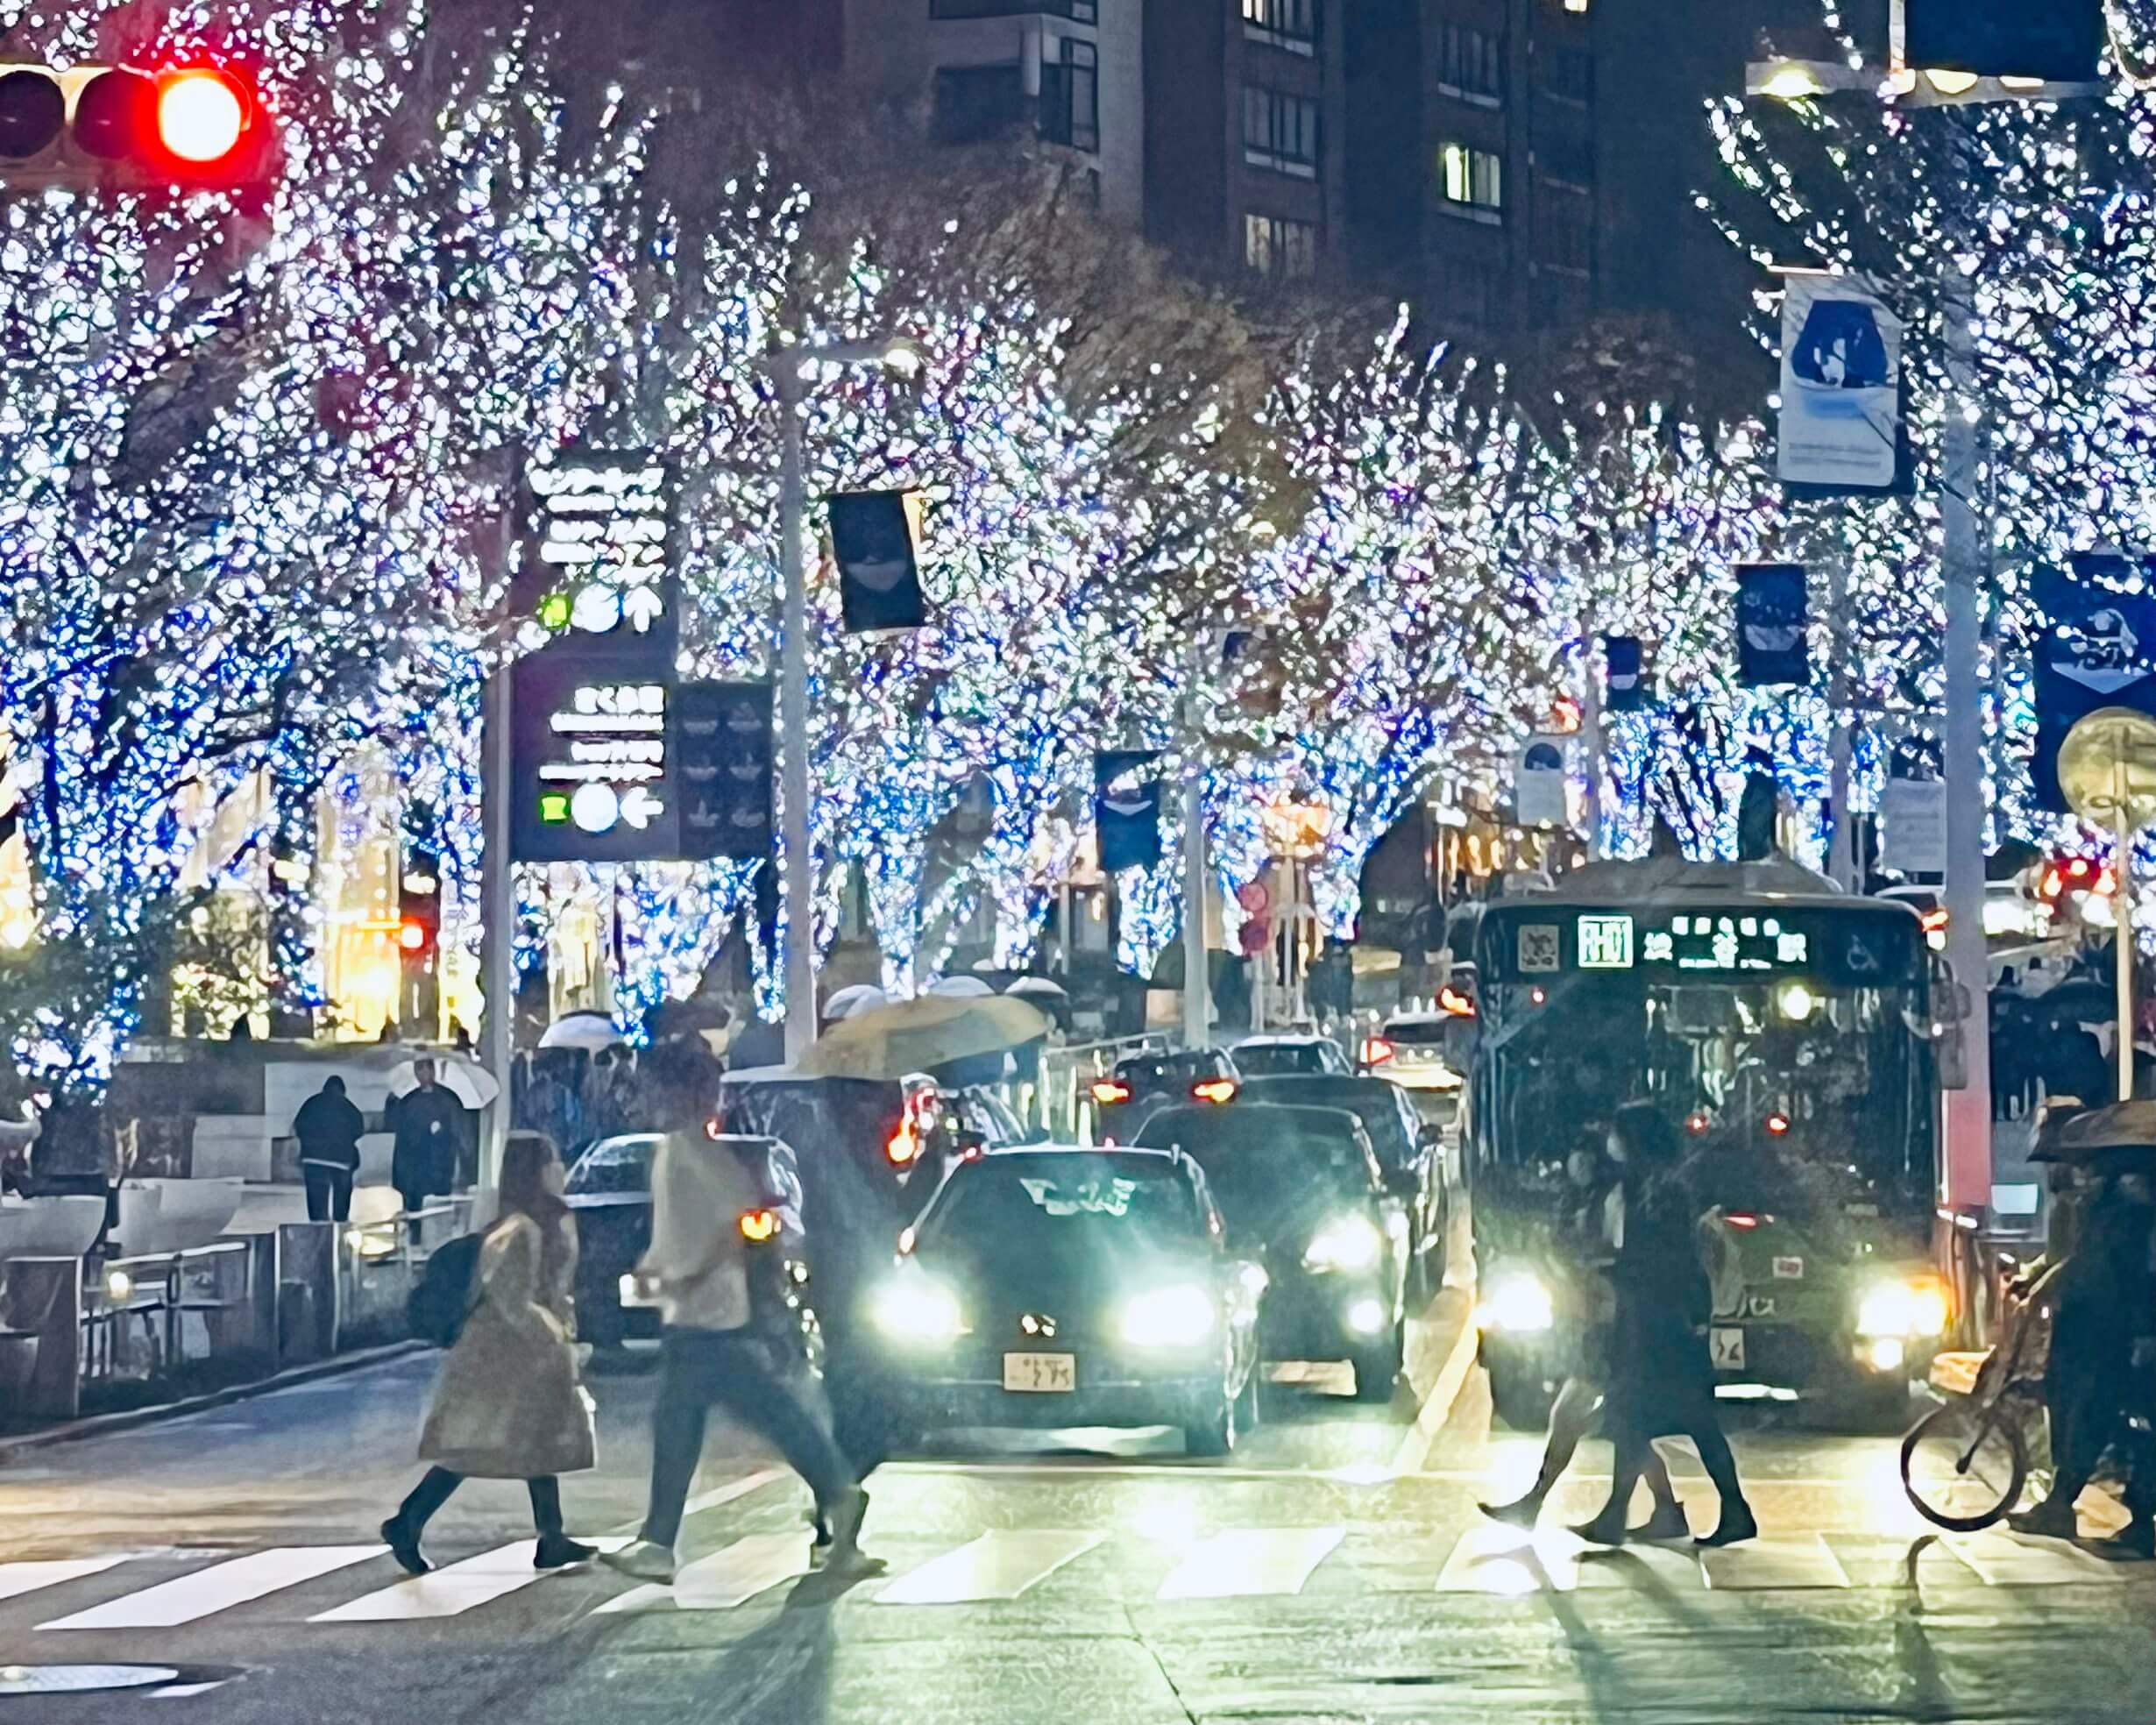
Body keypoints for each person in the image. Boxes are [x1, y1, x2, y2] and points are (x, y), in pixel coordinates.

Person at [603, 1045, 877, 1586]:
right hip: (711, 1307)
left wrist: (675, 1273)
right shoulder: (700, 1150)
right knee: (755, 1407)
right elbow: (742, 1210)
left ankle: (660, 1542)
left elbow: (725, 1224)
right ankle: (836, 1492)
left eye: (654, 1087)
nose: (645, 1099)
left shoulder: (682, 1151)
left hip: (703, 1309)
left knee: (692, 1419)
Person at [380, 1132, 597, 1574]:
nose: (560, 1170)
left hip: (515, 1353)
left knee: (530, 1443)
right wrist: (553, 1337)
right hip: (503, 1356)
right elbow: (513, 1299)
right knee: (485, 1446)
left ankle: (549, 1535)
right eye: (552, 1162)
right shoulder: (520, 1230)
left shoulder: (533, 1222)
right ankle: (409, 1520)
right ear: (535, 1172)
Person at [1479, 1136, 1690, 1540]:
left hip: (1616, 1326)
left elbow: (1624, 1256)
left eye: (1585, 1152)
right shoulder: (1590, 1198)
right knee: (1619, 1424)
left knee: (1577, 1415)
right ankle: (1667, 1510)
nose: (1574, 1161)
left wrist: (1589, 1265)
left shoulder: (1619, 1199)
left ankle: (1536, 1503)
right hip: (1600, 1323)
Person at [1571, 1101, 1757, 1548]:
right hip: (1657, 1322)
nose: (1611, 1144)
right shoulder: (1649, 1185)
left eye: (1618, 1135)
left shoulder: (1660, 1191)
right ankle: (1626, 1515)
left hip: (1660, 1326)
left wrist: (1612, 1270)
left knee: (1647, 1418)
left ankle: (1624, 1516)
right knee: (1655, 1421)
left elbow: (1664, 1259)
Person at [2009, 1156, 2156, 1555]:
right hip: (2094, 1325)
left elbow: (2105, 1268)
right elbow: (2071, 1256)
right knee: (2102, 1419)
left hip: (2115, 1329)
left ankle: (2129, 1516)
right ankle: (2080, 1506)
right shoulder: (2100, 1203)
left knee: (2118, 1421)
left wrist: (2143, 1332)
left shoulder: (2132, 1210)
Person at [387, 1058, 462, 1237]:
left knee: (437, 1208)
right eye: (419, 1071)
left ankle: (434, 1239)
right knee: (415, 1207)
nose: (422, 1075)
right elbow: (402, 1134)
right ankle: (416, 1239)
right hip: (415, 1165)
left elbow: (455, 1130)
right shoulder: (408, 1101)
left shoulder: (446, 1100)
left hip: (438, 1163)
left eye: (425, 1070)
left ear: (432, 1071)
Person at [293, 1075, 365, 1223]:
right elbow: (359, 1129)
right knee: (342, 1201)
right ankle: (339, 1227)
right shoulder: (348, 1106)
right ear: (343, 1091)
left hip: (313, 1159)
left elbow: (298, 1126)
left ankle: (320, 1233)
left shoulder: (311, 1103)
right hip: (341, 1160)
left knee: (317, 1204)